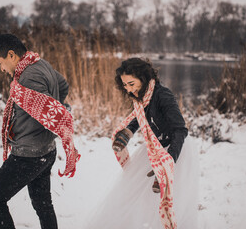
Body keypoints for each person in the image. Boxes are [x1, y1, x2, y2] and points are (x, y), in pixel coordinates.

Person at [84, 58, 199, 229]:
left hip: (174, 150)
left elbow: (180, 130)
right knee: (136, 192)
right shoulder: (142, 96)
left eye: (131, 83)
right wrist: (127, 133)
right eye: (124, 85)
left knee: (170, 199)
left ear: (143, 78)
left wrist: (166, 164)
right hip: (154, 147)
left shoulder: (162, 95)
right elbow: (140, 117)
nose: (128, 89)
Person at [0, 34, 80, 229]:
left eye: (0, 62)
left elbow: (48, 108)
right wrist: (53, 111)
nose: (1, 68)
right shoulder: (40, 63)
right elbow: (62, 85)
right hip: (46, 151)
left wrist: (51, 115)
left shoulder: (28, 76)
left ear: (11, 55)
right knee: (43, 205)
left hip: (28, 156)